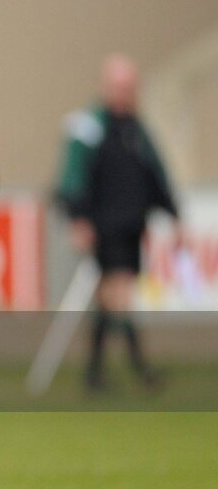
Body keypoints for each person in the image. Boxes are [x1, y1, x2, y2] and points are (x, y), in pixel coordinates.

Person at [56, 54, 179, 391]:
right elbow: (72, 176)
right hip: (104, 225)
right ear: (107, 87)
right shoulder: (90, 126)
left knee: (112, 297)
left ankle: (95, 373)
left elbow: (156, 174)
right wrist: (78, 218)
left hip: (132, 226)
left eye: (130, 88)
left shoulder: (137, 130)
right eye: (120, 87)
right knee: (119, 293)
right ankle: (139, 369)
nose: (126, 94)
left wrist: (173, 213)